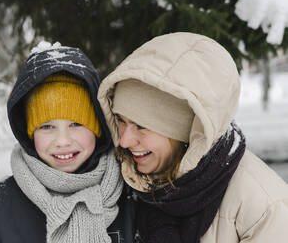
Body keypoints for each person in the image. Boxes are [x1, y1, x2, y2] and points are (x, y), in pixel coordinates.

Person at [97, 32, 288, 243]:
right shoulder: (122, 184)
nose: (124, 141)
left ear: (185, 131)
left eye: (141, 126)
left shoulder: (264, 209)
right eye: (120, 120)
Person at [0, 42, 134, 243]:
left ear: (98, 126)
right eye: (46, 127)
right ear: (30, 133)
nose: (62, 141)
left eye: (76, 124)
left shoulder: (131, 194)